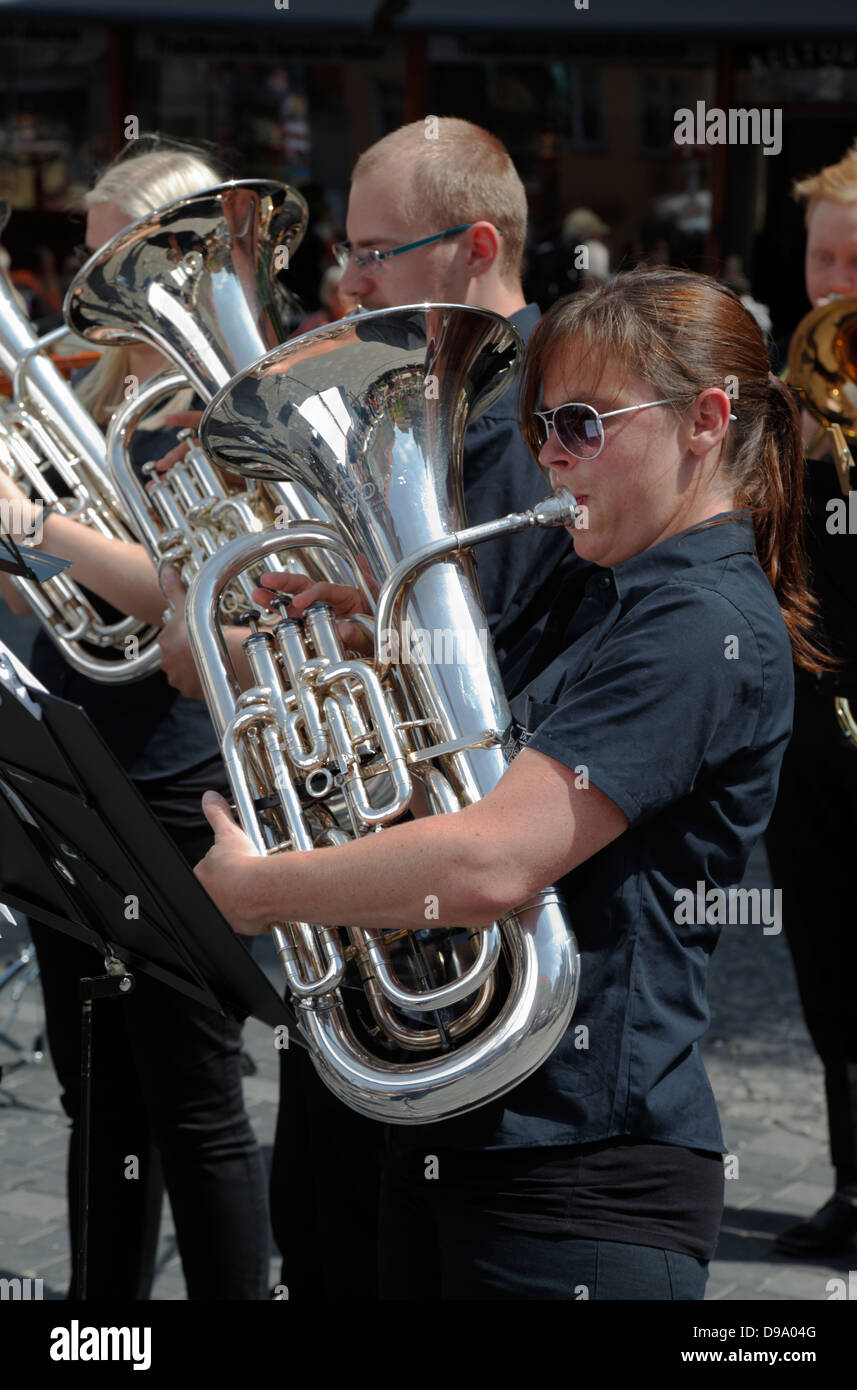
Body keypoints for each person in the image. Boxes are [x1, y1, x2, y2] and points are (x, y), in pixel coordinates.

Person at [193, 265, 822, 1300]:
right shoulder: (608, 595)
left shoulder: (699, 624)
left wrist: (262, 891)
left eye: (580, 423)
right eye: (537, 428)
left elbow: (490, 860)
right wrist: (368, 633)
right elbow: (462, 798)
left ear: (704, 420)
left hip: (579, 1180)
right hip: (482, 1149)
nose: (547, 457)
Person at [151, 115, 577, 1300]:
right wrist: (281, 628)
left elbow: (502, 681)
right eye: (345, 249)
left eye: (374, 251)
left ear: (473, 245)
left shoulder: (549, 432)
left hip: (466, 951)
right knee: (327, 1237)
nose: (344, 281)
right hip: (362, 935)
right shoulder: (385, 400)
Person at [0, 142, 270, 1300]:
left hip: (175, 782)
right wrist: (22, 553)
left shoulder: (227, 405)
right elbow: (73, 606)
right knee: (95, 1089)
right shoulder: (98, 390)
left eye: (107, 248)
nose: (78, 287)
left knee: (194, 1101)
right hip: (80, 759)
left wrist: (40, 526)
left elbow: (196, 596)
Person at [763, 137, 857, 1257]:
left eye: (855, 265)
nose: (834, 286)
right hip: (808, 717)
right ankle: (853, 1179)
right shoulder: (781, 387)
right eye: (822, 262)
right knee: (825, 959)